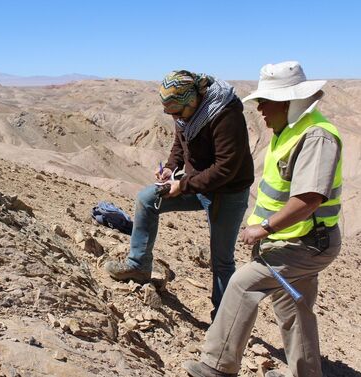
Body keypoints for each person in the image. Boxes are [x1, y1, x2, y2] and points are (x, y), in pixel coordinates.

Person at [182, 61, 343, 377]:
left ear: (288, 102)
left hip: (307, 244)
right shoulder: (290, 132)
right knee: (294, 307)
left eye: (265, 102)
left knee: (243, 285)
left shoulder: (315, 137)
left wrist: (265, 228)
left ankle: (217, 366)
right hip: (293, 240)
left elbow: (310, 198)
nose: (261, 111)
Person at [104, 70, 254, 319]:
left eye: (177, 112)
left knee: (221, 259)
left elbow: (226, 167)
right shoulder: (186, 112)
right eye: (170, 113)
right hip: (195, 183)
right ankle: (139, 265)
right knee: (147, 199)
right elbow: (180, 141)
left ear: (194, 99)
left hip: (227, 192)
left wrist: (182, 186)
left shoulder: (224, 113)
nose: (175, 117)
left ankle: (224, 321)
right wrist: (172, 167)